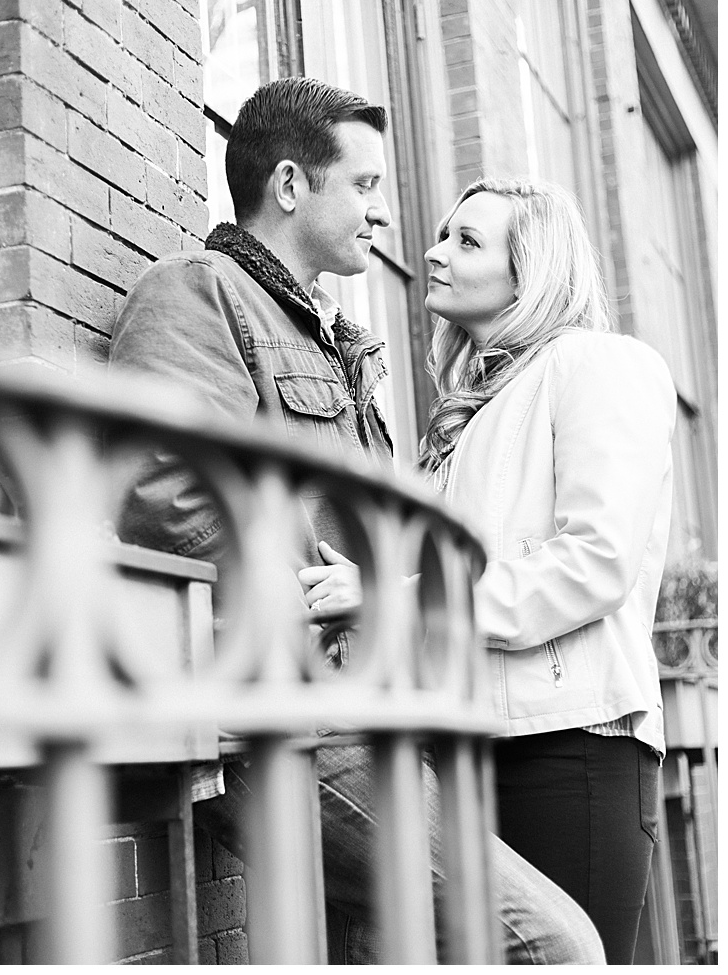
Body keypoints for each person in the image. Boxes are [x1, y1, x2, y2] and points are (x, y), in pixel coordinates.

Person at [109, 78, 604, 962]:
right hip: (278, 712)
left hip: (368, 719)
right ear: (292, 184)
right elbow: (168, 497)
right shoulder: (199, 290)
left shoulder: (334, 342)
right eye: (365, 185)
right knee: (553, 944)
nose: (384, 215)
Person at [419, 177, 675, 963]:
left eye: (467, 242)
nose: (434, 253)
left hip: (572, 749)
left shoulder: (600, 365)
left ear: (530, 275)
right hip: (468, 744)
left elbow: (597, 561)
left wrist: (404, 603)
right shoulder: (471, 410)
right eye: (443, 234)